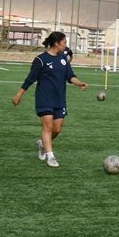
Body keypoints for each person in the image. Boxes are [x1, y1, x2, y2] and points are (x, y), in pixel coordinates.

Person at [11, 31, 89, 168]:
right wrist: (19, 94)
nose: (66, 45)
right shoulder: (40, 60)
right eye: (64, 42)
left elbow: (70, 76)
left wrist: (79, 83)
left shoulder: (64, 58)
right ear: (56, 43)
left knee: (57, 129)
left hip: (59, 99)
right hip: (44, 98)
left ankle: (42, 143)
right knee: (47, 126)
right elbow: (30, 79)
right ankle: (50, 156)